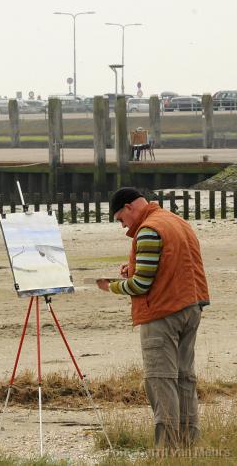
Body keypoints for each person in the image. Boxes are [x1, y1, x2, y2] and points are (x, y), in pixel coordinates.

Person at [97, 187, 209, 448]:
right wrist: (134, 269)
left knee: (161, 380)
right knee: (184, 379)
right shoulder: (175, 220)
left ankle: (167, 451)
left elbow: (141, 286)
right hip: (191, 307)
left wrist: (110, 286)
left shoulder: (148, 229)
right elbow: (171, 265)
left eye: (120, 219)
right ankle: (189, 445)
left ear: (128, 207)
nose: (122, 225)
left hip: (163, 313)